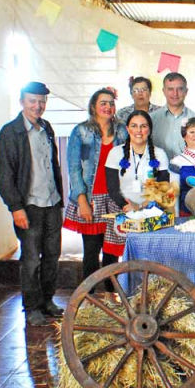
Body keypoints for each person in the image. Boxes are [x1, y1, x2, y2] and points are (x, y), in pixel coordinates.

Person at [0, 81, 64, 327]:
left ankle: (47, 300)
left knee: (52, 255)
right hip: (29, 206)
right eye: (33, 100)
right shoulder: (10, 132)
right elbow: (4, 174)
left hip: (52, 203)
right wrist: (15, 207)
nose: (38, 105)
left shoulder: (47, 128)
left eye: (42, 101)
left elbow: (52, 167)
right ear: (22, 101)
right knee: (31, 258)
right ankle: (32, 306)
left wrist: (60, 201)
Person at [63, 88, 128, 288]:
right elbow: (73, 169)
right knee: (91, 253)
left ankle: (110, 298)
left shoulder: (122, 130)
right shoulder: (81, 131)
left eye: (111, 103)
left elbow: (129, 165)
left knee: (112, 253)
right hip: (92, 199)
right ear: (93, 106)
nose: (108, 107)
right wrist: (82, 201)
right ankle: (88, 301)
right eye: (103, 103)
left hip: (115, 199)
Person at [105, 110, 170, 216]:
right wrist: (127, 206)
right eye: (134, 126)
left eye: (143, 126)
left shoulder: (160, 154)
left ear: (149, 130)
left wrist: (141, 206)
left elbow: (163, 188)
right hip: (122, 210)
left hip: (152, 212)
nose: (138, 130)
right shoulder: (115, 153)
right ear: (127, 129)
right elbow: (112, 189)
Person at [151, 72, 195, 162]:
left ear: (186, 92)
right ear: (164, 91)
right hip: (158, 172)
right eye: (170, 89)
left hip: (189, 173)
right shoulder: (151, 119)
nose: (175, 93)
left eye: (180, 89)